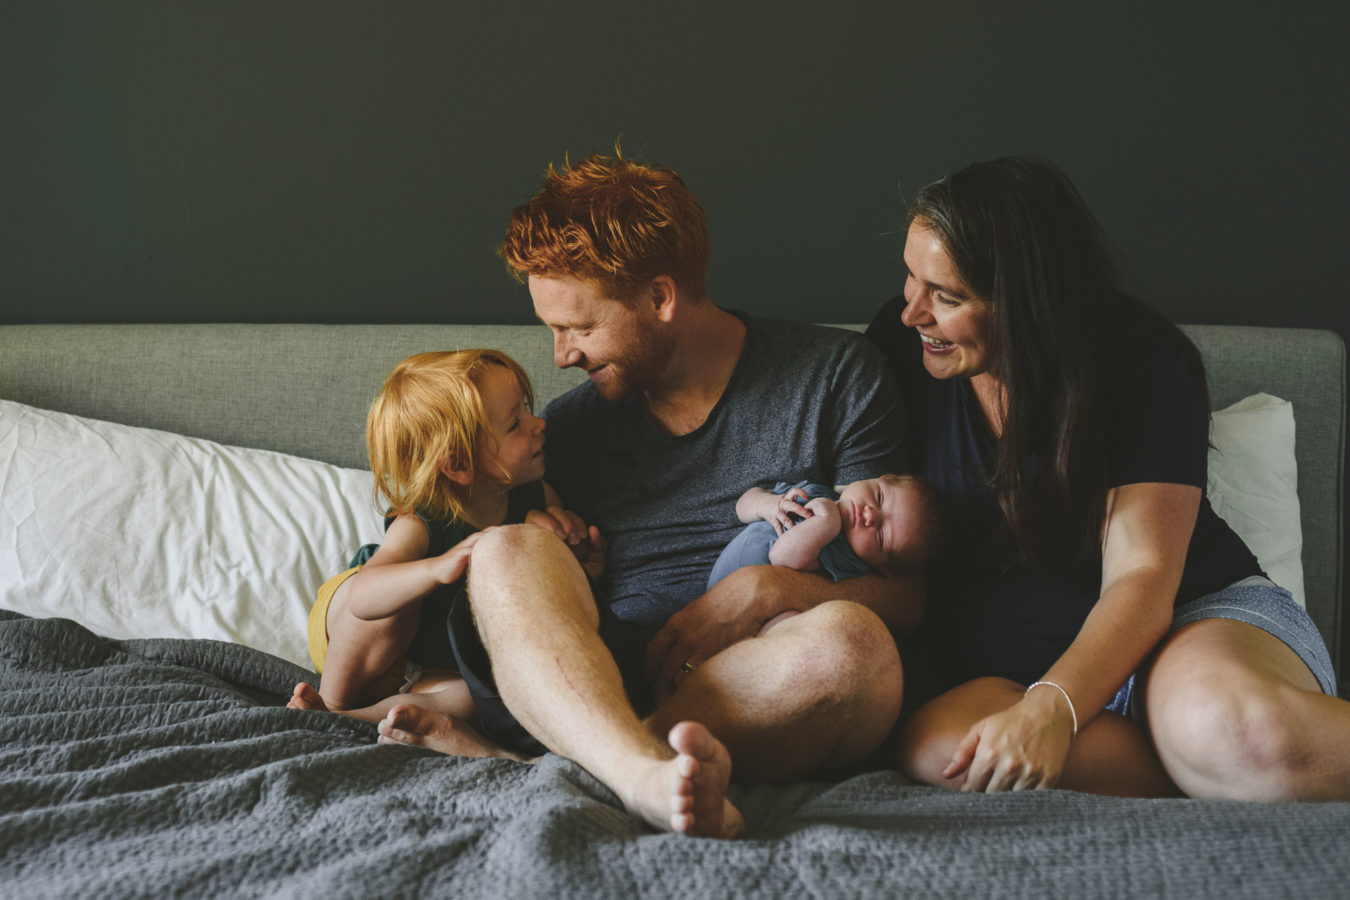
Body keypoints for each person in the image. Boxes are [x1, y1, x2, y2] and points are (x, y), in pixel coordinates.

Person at [374, 149, 920, 837]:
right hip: (588, 682)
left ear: (659, 298)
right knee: (508, 550)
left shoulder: (836, 379)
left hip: (765, 680)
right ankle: (640, 777)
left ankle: (577, 771)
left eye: (579, 326)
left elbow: (910, 595)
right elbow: (447, 522)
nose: (561, 355)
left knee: (857, 646)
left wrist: (770, 590)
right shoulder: (559, 431)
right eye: (552, 329)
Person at [865, 156, 1350, 800]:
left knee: (1231, 732)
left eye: (947, 297)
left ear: (1028, 301)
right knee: (942, 748)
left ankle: (1216, 750)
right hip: (1009, 673)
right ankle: (1206, 769)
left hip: (1185, 623)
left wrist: (1051, 711)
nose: (911, 313)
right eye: (910, 277)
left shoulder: (1139, 363)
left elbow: (1143, 576)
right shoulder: (901, 352)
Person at [287, 349, 601, 761]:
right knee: (396, 610)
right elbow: (365, 598)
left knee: (475, 700)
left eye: (527, 409)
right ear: (458, 464)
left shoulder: (534, 494)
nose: (539, 423)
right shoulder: (422, 523)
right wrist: (437, 568)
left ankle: (360, 719)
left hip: (432, 664)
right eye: (515, 424)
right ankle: (332, 702)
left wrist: (575, 552)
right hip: (352, 631)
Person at [705, 475, 942, 590]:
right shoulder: (818, 491)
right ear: (880, 477)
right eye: (879, 497)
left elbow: (781, 556)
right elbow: (742, 505)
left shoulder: (847, 560)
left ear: (882, 567)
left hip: (740, 602)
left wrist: (827, 521)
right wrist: (768, 504)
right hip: (718, 587)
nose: (869, 516)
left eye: (880, 536)